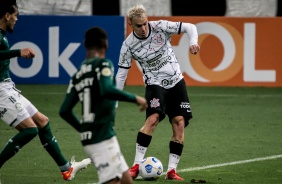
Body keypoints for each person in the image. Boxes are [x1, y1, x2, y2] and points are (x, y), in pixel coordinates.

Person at [0, 0, 91, 181]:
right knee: (30, 130)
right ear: (7, 15)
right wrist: (18, 52)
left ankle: (66, 168)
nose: (17, 19)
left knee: (42, 122)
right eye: (16, 15)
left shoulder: (2, 35)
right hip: (1, 92)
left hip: (7, 88)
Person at [115, 4, 200, 181]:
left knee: (179, 123)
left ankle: (171, 171)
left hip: (177, 81)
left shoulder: (160, 26)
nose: (144, 28)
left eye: (145, 23)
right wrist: (114, 101)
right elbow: (121, 75)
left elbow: (190, 27)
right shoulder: (128, 45)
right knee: (153, 118)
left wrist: (193, 42)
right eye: (139, 25)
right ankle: (136, 166)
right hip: (155, 84)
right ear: (131, 24)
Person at [59, 26, 148, 184]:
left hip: (98, 137)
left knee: (126, 180)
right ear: (105, 45)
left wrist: (84, 129)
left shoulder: (77, 74)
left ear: (85, 45)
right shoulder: (103, 64)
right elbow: (107, 89)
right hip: (101, 139)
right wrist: (135, 99)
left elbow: (64, 111)